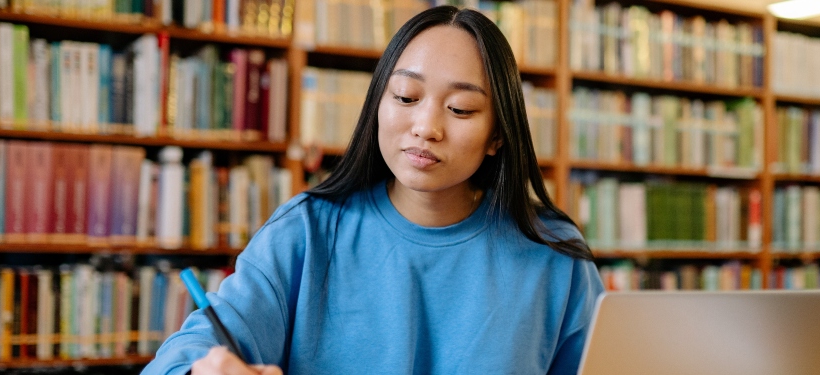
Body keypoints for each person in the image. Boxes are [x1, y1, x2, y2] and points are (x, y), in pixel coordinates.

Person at [142, 5, 604, 375]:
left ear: (498, 136)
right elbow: (186, 353)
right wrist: (204, 368)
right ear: (377, 104)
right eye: (405, 97)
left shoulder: (554, 254)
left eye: (461, 109)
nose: (426, 127)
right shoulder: (306, 230)